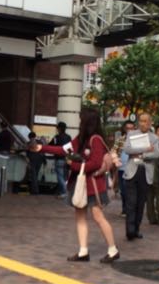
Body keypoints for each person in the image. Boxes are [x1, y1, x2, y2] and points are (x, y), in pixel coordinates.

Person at [32, 108, 120, 263]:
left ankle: (113, 250)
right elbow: (63, 150)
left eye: (81, 119)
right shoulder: (81, 138)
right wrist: (41, 148)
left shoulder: (95, 140)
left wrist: (73, 165)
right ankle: (83, 251)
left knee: (98, 217)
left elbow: (95, 163)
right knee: (80, 216)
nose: (79, 122)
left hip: (92, 184)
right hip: (81, 184)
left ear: (87, 122)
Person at [122, 112, 159, 241]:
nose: (142, 124)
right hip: (132, 171)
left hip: (146, 172)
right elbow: (127, 149)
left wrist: (142, 155)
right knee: (131, 202)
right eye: (141, 121)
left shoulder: (154, 138)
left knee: (140, 203)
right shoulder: (131, 134)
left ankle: (136, 229)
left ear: (150, 123)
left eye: (145, 121)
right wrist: (145, 149)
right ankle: (130, 230)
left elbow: (156, 153)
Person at [49, 121, 71, 199]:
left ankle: (64, 192)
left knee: (60, 177)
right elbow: (70, 148)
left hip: (59, 159)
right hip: (67, 159)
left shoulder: (56, 137)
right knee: (65, 177)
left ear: (59, 129)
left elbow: (50, 145)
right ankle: (63, 192)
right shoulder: (68, 137)